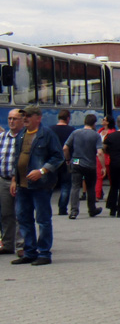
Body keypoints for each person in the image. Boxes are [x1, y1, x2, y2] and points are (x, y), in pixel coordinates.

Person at [10, 105, 64, 266]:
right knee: (23, 218)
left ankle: (45, 253)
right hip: (22, 186)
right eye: (23, 116)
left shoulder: (46, 134)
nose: (25, 119)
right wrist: (14, 179)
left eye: (28, 116)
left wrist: (42, 171)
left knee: (42, 219)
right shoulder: (21, 135)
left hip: (40, 186)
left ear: (38, 118)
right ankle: (29, 252)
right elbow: (17, 159)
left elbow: (58, 157)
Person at [63, 113, 105, 219]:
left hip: (76, 162)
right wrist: (103, 167)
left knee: (75, 186)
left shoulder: (75, 133)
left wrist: (68, 159)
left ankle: (73, 211)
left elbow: (65, 148)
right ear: (94, 123)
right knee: (90, 187)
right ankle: (92, 209)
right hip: (90, 165)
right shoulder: (96, 135)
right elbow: (100, 152)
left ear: (85, 122)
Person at [0, 109, 25, 257]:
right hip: (4, 180)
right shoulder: (2, 137)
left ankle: (21, 245)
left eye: (15, 119)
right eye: (9, 119)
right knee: (6, 214)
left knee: (20, 214)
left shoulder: (25, 138)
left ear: (22, 120)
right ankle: (8, 244)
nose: (11, 121)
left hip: (21, 182)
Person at [51, 109, 75, 216]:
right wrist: (69, 159)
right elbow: (71, 147)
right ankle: (62, 208)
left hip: (52, 161)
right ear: (68, 118)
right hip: (66, 161)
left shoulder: (50, 130)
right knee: (65, 185)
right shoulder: (71, 130)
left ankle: (45, 207)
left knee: (50, 185)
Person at [95, 115, 114, 201]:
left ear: (108, 122)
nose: (102, 121)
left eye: (104, 120)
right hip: (100, 156)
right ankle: (97, 195)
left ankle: (112, 195)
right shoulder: (100, 131)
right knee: (99, 175)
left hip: (109, 155)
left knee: (111, 176)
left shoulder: (112, 132)